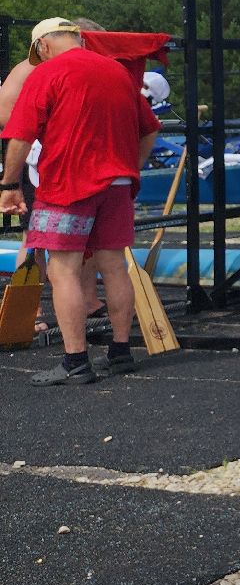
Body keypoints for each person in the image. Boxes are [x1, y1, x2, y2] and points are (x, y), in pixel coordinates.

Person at [0, 19, 160, 385]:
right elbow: (150, 128)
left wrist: (9, 183)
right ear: (80, 38)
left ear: (42, 46)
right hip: (117, 184)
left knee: (62, 270)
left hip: (66, 185)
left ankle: (75, 360)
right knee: (115, 266)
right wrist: (130, 167)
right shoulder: (119, 73)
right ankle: (120, 353)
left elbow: (21, 135)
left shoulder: (46, 73)